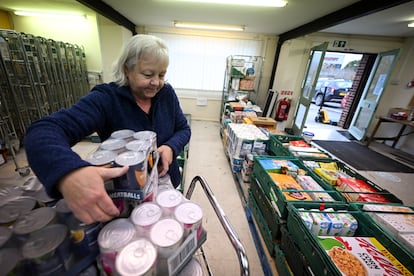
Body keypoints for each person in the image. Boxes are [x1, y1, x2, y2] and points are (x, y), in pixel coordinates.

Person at [24, 34, 191, 224]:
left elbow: (183, 129)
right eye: (148, 74)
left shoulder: (166, 94)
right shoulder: (105, 99)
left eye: (161, 75)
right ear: (127, 69)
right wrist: (68, 172)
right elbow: (43, 131)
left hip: (164, 183)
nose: (156, 82)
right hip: (125, 195)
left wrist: (170, 147)